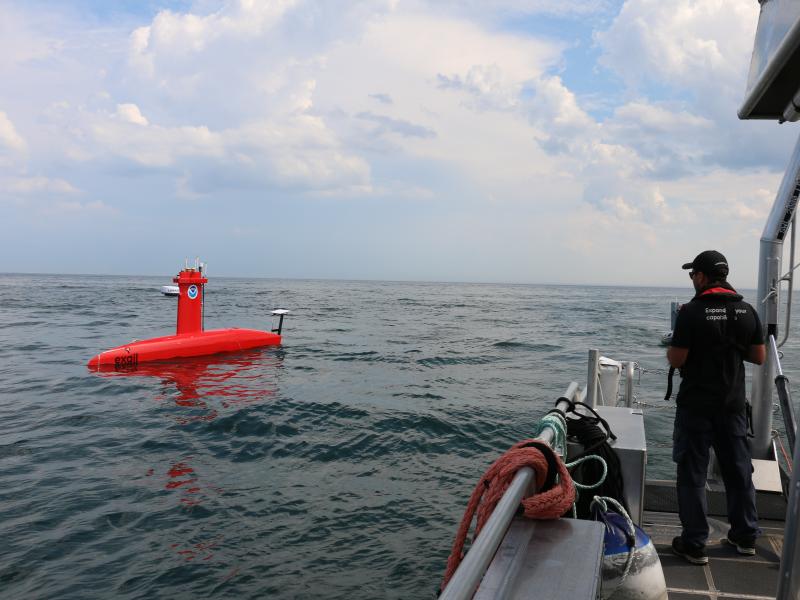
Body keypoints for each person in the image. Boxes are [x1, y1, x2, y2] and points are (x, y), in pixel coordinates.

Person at [667, 250, 766, 565]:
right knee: (738, 471)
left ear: (701, 276)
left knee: (693, 473)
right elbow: (759, 356)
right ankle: (745, 535)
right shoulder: (746, 311)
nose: (692, 280)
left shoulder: (691, 313)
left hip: (696, 405)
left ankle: (695, 542)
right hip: (733, 406)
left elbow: (677, 359)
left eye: (693, 274)